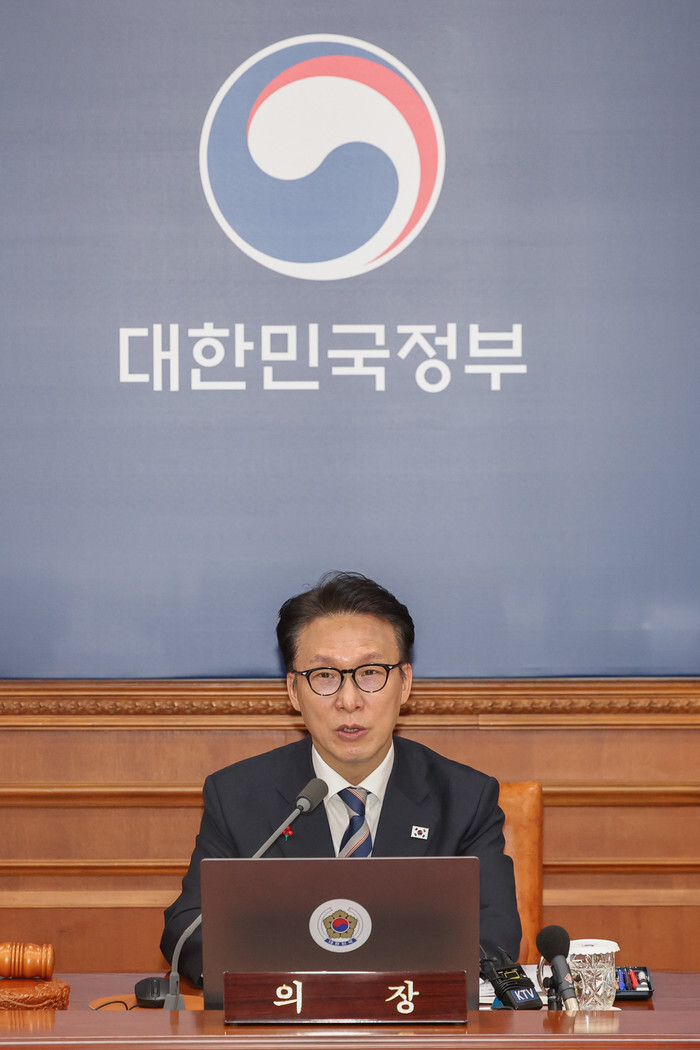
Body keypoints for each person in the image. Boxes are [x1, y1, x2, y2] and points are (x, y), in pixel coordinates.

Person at [161, 571, 521, 984]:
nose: (349, 701)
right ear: (294, 691)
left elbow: (496, 937)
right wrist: (317, 978)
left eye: (370, 673)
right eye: (325, 676)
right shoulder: (238, 796)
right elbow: (188, 930)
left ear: (405, 683)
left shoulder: (464, 798)